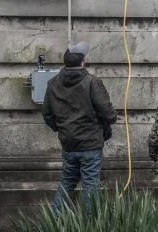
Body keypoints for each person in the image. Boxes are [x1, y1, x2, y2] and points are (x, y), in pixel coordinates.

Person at [42, 42, 116, 211]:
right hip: (90, 143)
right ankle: (89, 225)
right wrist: (109, 120)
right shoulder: (92, 82)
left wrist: (62, 128)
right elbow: (107, 113)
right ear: (83, 62)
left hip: (68, 144)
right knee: (90, 186)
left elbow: (47, 114)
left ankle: (56, 222)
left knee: (67, 182)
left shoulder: (52, 83)